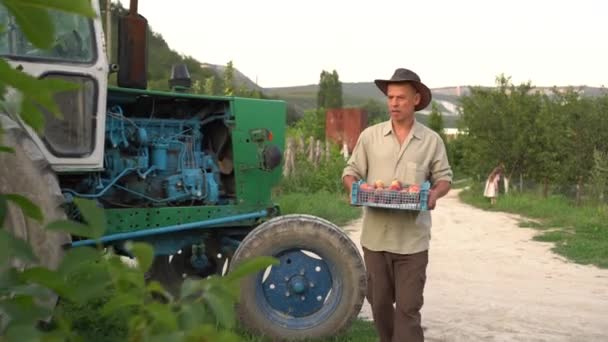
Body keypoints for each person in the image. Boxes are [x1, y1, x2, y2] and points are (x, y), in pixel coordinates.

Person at [342, 68, 452, 342]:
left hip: (412, 242)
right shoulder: (370, 137)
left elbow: (444, 179)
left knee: (408, 309)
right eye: (390, 97)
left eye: (401, 97)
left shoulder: (431, 141)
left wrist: (434, 195)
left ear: (416, 99)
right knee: (379, 305)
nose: (394, 103)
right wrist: (355, 187)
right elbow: (350, 171)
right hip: (376, 240)